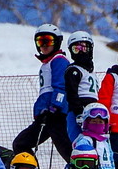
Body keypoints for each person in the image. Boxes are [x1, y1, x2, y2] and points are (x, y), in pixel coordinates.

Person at [13, 24, 73, 161]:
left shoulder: (59, 61)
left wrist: (54, 107)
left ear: (57, 42)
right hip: (46, 115)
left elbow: (61, 86)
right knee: (22, 144)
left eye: (49, 41)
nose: (44, 45)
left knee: (66, 149)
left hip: (55, 115)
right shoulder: (47, 63)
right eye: (41, 41)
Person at [63, 30, 100, 142]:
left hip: (93, 111)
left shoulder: (91, 72)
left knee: (95, 142)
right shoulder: (73, 70)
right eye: (76, 49)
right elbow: (71, 93)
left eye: (84, 48)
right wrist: (78, 112)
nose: (81, 52)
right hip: (78, 111)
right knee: (78, 143)